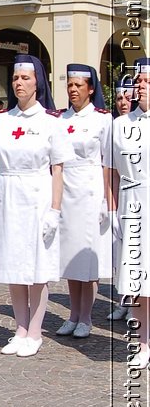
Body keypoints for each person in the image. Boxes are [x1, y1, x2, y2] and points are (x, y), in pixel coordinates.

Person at [0, 56, 73, 356]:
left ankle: (35, 331)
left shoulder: (51, 121)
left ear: (38, 82)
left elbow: (58, 169)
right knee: (13, 264)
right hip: (8, 193)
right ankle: (19, 328)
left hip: (37, 193)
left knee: (36, 266)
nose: (19, 83)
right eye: (15, 78)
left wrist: (55, 209)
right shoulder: (4, 121)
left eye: (25, 78)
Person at [55, 64, 112, 338]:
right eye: (70, 85)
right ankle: (73, 313)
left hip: (90, 188)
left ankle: (86, 317)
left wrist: (105, 198)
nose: (73, 90)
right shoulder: (61, 119)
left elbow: (107, 162)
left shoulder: (102, 119)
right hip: (67, 189)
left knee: (87, 258)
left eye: (79, 85)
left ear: (91, 89)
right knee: (69, 256)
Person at [109, 59, 150, 368]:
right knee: (138, 283)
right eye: (139, 80)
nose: (141, 85)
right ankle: (142, 343)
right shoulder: (121, 125)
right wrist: (111, 208)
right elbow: (110, 170)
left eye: (147, 80)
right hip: (132, 203)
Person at [107, 76, 136, 322]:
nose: (122, 103)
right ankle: (124, 300)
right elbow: (112, 171)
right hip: (122, 197)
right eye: (118, 98)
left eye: (127, 98)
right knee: (121, 254)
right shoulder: (115, 126)